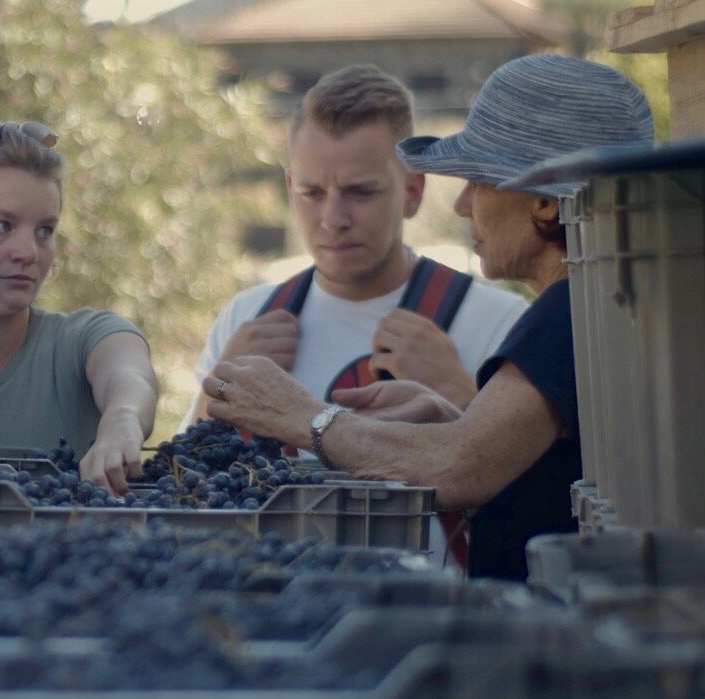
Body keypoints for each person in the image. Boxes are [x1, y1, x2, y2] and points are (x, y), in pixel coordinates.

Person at [203, 54, 655, 580]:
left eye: (478, 183)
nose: (463, 205)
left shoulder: (565, 312)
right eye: (310, 192)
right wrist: (446, 417)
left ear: (546, 205)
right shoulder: (601, 301)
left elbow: (461, 468)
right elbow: (517, 461)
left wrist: (303, 416)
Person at [183, 65, 527, 430]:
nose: (333, 218)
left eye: (360, 192)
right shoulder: (245, 318)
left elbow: (549, 485)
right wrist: (214, 400)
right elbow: (177, 476)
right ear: (289, 188)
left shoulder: (499, 324)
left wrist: (459, 396)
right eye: (311, 193)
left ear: (412, 192)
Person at [0, 114, 159, 495]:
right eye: (2, 225)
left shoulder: (83, 341)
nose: (28, 252)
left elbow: (129, 376)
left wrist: (122, 419)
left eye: (45, 231)